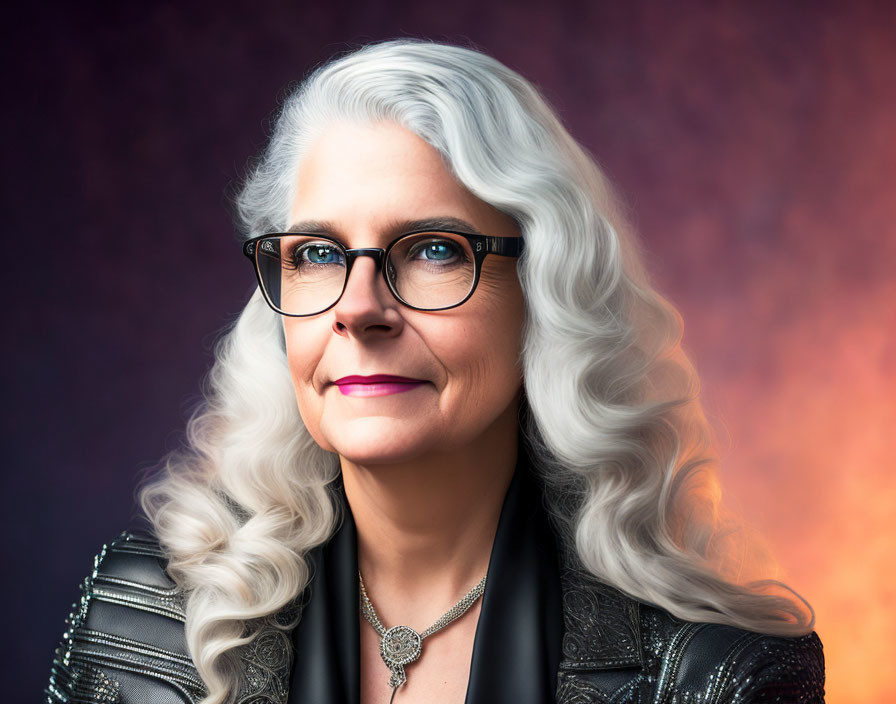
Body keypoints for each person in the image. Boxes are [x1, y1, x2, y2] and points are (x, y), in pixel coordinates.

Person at [46, 39, 824, 704]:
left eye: (432, 250)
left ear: (543, 292)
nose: (358, 308)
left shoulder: (716, 674)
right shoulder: (137, 625)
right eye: (317, 253)